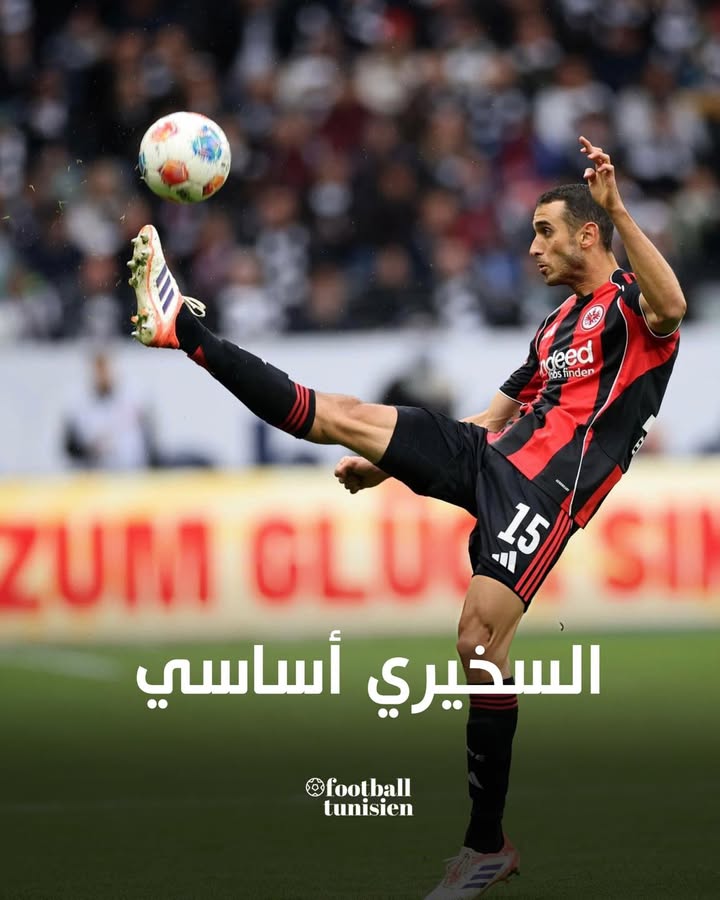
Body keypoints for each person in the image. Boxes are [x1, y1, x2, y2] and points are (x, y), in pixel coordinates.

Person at [126, 136, 685, 898]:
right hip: (487, 458)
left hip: (545, 495)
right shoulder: (553, 327)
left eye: (545, 232)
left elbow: (672, 306)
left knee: (477, 643)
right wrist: (389, 463)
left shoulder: (633, 308)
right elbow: (491, 419)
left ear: (590, 234)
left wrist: (619, 208)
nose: (531, 248)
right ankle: (185, 332)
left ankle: (486, 845)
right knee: (342, 417)